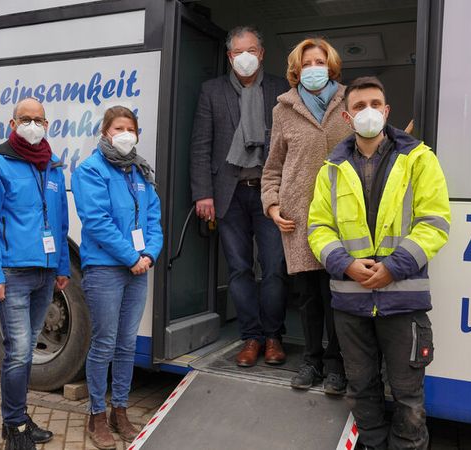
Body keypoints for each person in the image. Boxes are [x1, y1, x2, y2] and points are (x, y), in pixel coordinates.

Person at [307, 76, 450, 449]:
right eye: (359, 106)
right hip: (351, 301)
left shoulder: (419, 159)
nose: (367, 111)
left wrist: (393, 267)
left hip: (403, 299)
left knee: (407, 397)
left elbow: (435, 223)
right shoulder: (331, 168)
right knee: (361, 390)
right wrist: (346, 264)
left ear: (386, 111)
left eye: (375, 104)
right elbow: (318, 228)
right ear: (346, 116)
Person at [0, 98, 70, 450]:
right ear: (11, 125)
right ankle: (14, 427)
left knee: (26, 351)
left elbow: (60, 221)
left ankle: (19, 417)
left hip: (45, 275)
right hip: (13, 274)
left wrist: (62, 266)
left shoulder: (53, 167)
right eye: (25, 119)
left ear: (47, 124)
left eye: (38, 119)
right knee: (18, 351)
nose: (32, 124)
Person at [190, 25, 291, 367]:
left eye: (251, 51)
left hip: (269, 194)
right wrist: (203, 193)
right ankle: (251, 337)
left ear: (261, 54)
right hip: (228, 195)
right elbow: (201, 146)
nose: (244, 58)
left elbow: (291, 145)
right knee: (238, 269)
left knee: (275, 267)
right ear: (229, 56)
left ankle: (274, 336)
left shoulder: (281, 89)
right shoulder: (212, 91)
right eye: (237, 53)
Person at [261, 37, 351, 394]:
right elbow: (273, 168)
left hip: (342, 219)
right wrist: (271, 206)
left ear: (332, 65)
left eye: (321, 61)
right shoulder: (283, 110)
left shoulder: (349, 103)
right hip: (297, 218)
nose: (315, 67)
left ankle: (337, 365)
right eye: (308, 62)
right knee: (309, 297)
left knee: (337, 297)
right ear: (296, 70)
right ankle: (311, 361)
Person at [72, 106, 163, 450]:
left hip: (138, 268)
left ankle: (119, 411)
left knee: (127, 343)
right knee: (105, 343)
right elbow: (96, 221)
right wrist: (131, 257)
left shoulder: (140, 172)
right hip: (106, 269)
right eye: (119, 128)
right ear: (105, 132)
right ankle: (96, 414)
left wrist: (149, 254)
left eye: (131, 128)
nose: (126, 134)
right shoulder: (90, 171)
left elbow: (154, 219)